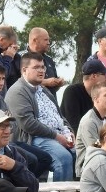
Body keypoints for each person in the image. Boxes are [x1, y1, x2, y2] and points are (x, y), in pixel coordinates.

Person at [6, 52, 75, 182]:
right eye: (36, 67)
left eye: (43, 67)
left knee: (80, 154)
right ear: (24, 70)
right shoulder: (17, 91)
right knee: (63, 158)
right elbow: (28, 124)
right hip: (35, 138)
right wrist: (57, 137)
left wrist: (70, 132)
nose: (42, 70)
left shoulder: (43, 90)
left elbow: (59, 116)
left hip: (58, 135)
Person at [0, 61, 50, 178]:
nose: (1, 83)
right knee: (32, 160)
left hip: (10, 141)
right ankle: (21, 184)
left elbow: (13, 125)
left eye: (3, 79)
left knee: (45, 158)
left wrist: (5, 124)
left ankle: (28, 184)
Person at [59, 58, 106, 135]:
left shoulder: (99, 95)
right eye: (104, 75)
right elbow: (73, 125)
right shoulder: (72, 92)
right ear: (94, 76)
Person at [74, 82, 106, 176]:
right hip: (88, 172)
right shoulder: (89, 121)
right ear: (96, 99)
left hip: (104, 167)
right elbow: (95, 150)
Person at [8, 27, 64, 94]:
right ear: (35, 40)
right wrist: (45, 82)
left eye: (49, 40)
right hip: (29, 101)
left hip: (50, 102)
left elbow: (52, 88)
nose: (49, 43)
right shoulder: (19, 57)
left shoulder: (49, 60)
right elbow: (15, 82)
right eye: (46, 40)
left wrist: (57, 83)